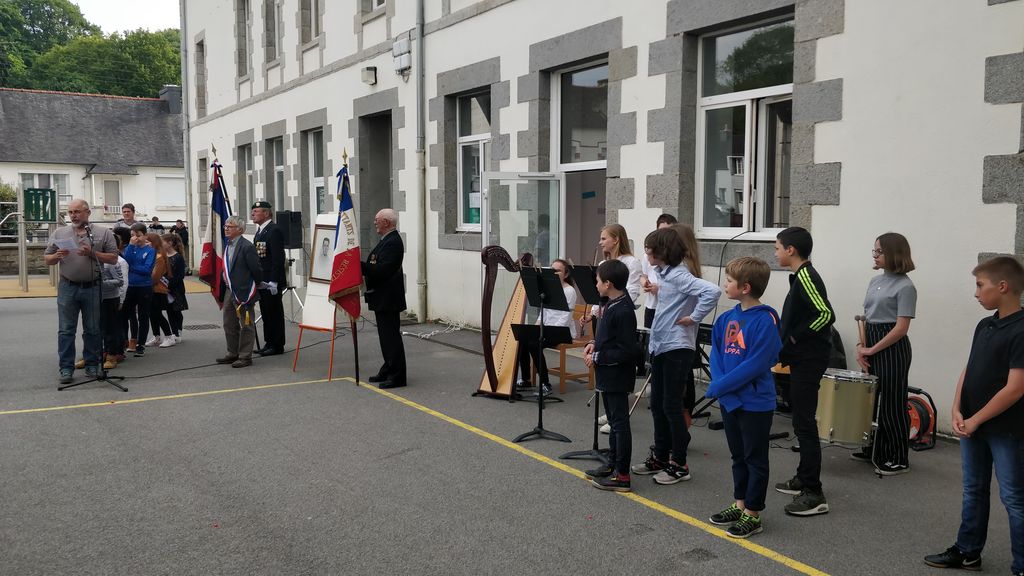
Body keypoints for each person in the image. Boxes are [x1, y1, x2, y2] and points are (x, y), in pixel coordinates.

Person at [924, 256, 1024, 576]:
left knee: (1014, 498)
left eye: (980, 285)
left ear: (1003, 286)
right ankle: (968, 552)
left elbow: (1015, 388)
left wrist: (977, 418)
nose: (976, 293)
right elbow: (969, 369)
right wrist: (956, 408)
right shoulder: (985, 325)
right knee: (974, 490)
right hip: (972, 423)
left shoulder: (1021, 330)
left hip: (1006, 429)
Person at [631, 227, 721, 485]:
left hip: (677, 347)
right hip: (662, 345)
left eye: (649, 250)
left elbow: (712, 291)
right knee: (658, 403)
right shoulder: (666, 273)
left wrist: (694, 317)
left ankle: (679, 463)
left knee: (671, 405)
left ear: (662, 252)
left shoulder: (680, 274)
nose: (646, 254)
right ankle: (660, 456)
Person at [706, 257, 782, 539]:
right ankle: (740, 504)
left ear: (745, 287)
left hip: (754, 403)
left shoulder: (766, 320)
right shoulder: (726, 318)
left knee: (755, 458)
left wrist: (720, 387)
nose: (725, 285)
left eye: (729, 281)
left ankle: (753, 512)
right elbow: (716, 354)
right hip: (730, 400)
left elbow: (758, 363)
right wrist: (721, 386)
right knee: (737, 455)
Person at [773, 226, 835, 516]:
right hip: (801, 359)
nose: (775, 253)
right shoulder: (799, 277)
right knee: (800, 421)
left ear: (791, 250)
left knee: (805, 423)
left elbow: (825, 314)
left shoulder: (807, 275)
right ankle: (803, 476)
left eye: (777, 248)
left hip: (809, 359)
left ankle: (813, 491)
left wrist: (796, 339)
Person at [853, 232, 917, 475]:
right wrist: (861, 347)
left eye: (880, 251)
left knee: (892, 404)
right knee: (871, 400)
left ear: (894, 253)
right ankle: (875, 449)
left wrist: (872, 348)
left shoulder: (906, 287)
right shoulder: (874, 281)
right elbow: (867, 317)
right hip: (871, 339)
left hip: (893, 348)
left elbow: (901, 328)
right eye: (875, 251)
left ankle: (898, 458)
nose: (875, 255)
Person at [43, 199, 118, 384]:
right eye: (70, 212)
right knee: (66, 330)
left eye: (77, 211)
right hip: (67, 287)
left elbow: (113, 258)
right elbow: (47, 259)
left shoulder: (103, 233)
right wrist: (56, 256)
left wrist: (93, 253)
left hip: (92, 287)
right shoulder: (60, 233)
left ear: (88, 212)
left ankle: (92, 364)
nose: (73, 215)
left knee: (92, 329)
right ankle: (66, 368)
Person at [583, 259, 639, 492]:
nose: (595, 285)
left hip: (617, 374)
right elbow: (608, 337)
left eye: (598, 281)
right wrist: (594, 343)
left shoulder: (623, 310)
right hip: (607, 372)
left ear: (608, 284)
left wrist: (597, 357)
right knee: (615, 423)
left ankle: (622, 475)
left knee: (619, 424)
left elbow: (627, 351)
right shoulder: (609, 304)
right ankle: (613, 464)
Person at [516, 259, 578, 396]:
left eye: (558, 271)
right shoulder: (549, 288)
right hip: (548, 330)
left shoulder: (569, 291)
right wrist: (535, 328)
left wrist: (546, 331)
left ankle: (545, 384)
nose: (554, 273)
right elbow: (543, 313)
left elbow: (565, 318)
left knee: (534, 344)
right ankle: (526, 379)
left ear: (566, 274)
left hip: (562, 331)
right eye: (552, 270)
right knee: (523, 339)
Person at [362, 208, 407, 389]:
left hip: (389, 299)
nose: (375, 222)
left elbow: (383, 270)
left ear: (386, 222)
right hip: (382, 297)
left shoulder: (393, 242)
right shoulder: (386, 240)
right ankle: (388, 368)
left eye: (377, 219)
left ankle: (397, 375)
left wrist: (360, 266)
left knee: (391, 338)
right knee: (385, 338)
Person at [216, 216, 263, 368]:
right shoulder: (227, 245)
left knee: (246, 324)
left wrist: (253, 286)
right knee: (229, 323)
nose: (226, 228)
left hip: (244, 291)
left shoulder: (247, 246)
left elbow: (256, 269)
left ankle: (245, 356)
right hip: (229, 290)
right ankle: (232, 352)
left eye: (230, 226)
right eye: (225, 226)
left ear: (240, 230)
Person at [251, 201, 287, 356]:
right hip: (263, 281)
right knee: (266, 313)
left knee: (274, 313)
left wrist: (274, 281)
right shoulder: (260, 231)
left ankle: (277, 345)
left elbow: (278, 259)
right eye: (253, 211)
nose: (252, 214)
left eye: (256, 211)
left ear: (266, 213)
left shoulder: (274, 230)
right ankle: (269, 342)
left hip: (271, 281)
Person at [122, 223, 155, 357]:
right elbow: (126, 262)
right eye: (133, 235)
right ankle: (124, 341)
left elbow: (147, 269)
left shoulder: (150, 250)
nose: (136, 238)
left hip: (144, 287)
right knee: (124, 315)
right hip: (130, 286)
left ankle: (141, 344)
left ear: (145, 236)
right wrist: (131, 245)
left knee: (143, 316)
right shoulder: (130, 248)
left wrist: (132, 267)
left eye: (138, 235)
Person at [100, 236, 126, 370]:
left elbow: (121, 282)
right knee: (97, 328)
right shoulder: (94, 259)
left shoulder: (114, 262)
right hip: (95, 298)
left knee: (110, 328)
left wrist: (102, 283)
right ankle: (96, 353)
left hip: (110, 298)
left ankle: (112, 354)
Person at [146, 232, 175, 348]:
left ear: (153, 243)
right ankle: (156, 336)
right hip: (152, 288)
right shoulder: (152, 254)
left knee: (157, 314)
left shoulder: (158, 257)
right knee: (152, 314)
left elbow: (155, 277)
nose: (145, 243)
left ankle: (169, 336)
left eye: (147, 242)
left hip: (157, 289)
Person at [162, 233, 189, 343]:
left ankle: (178, 330)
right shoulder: (163, 255)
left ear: (170, 243)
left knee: (176, 310)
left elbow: (180, 275)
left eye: (163, 242)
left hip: (176, 288)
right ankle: (174, 333)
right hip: (165, 287)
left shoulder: (178, 257)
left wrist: (169, 285)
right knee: (169, 311)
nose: (161, 244)